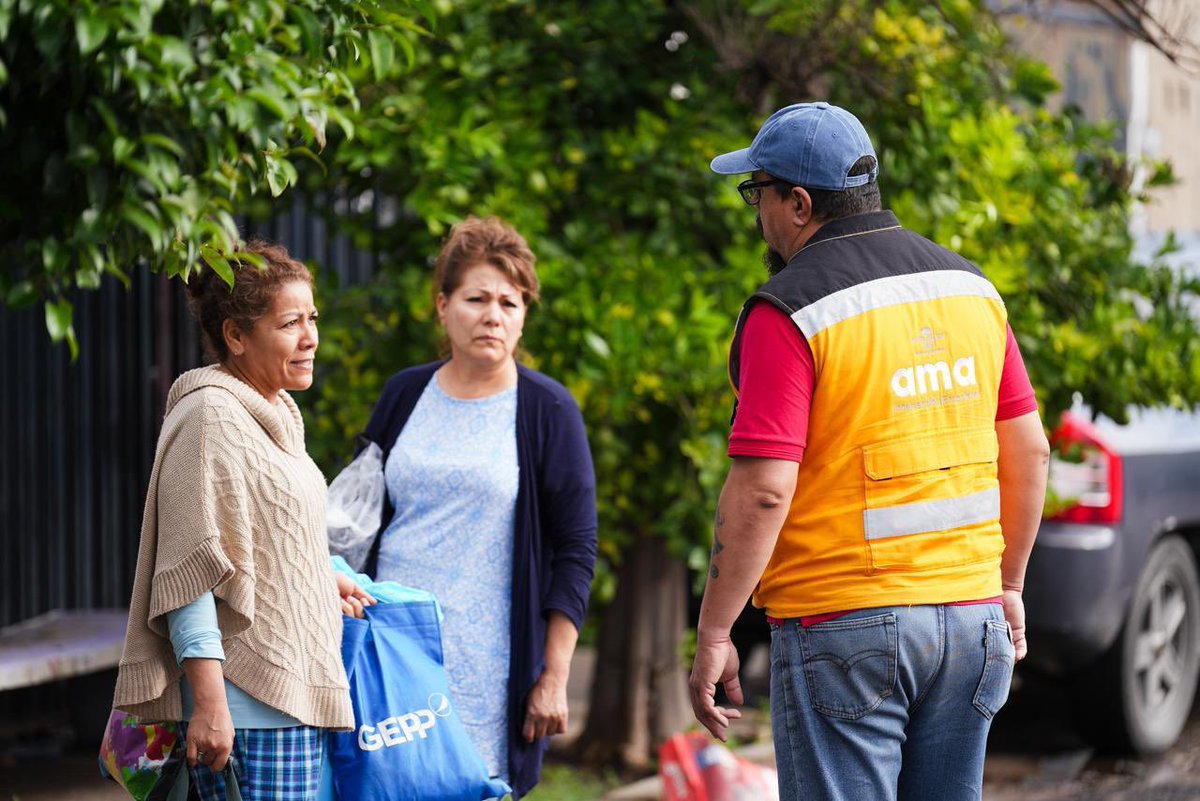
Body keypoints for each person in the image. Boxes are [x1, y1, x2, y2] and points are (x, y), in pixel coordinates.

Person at [688, 102, 1051, 800]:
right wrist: (1006, 583)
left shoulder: (789, 308)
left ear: (797, 203)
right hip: (973, 620)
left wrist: (714, 630)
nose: (754, 209)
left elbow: (764, 489)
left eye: (756, 191)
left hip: (844, 626)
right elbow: (1029, 452)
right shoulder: (969, 288)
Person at [112, 242, 373, 800]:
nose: (311, 338)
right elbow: (189, 576)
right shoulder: (211, 416)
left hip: (291, 700)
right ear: (235, 335)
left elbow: (253, 541)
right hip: (247, 713)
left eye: (312, 319)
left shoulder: (277, 412)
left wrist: (318, 573)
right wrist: (210, 707)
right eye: (290, 323)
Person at [357, 216, 597, 799]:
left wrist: (553, 675)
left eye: (511, 303)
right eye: (477, 298)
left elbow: (575, 550)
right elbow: (356, 517)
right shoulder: (404, 394)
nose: (494, 315)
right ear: (443, 306)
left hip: (491, 671)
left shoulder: (548, 410)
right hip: (389, 653)